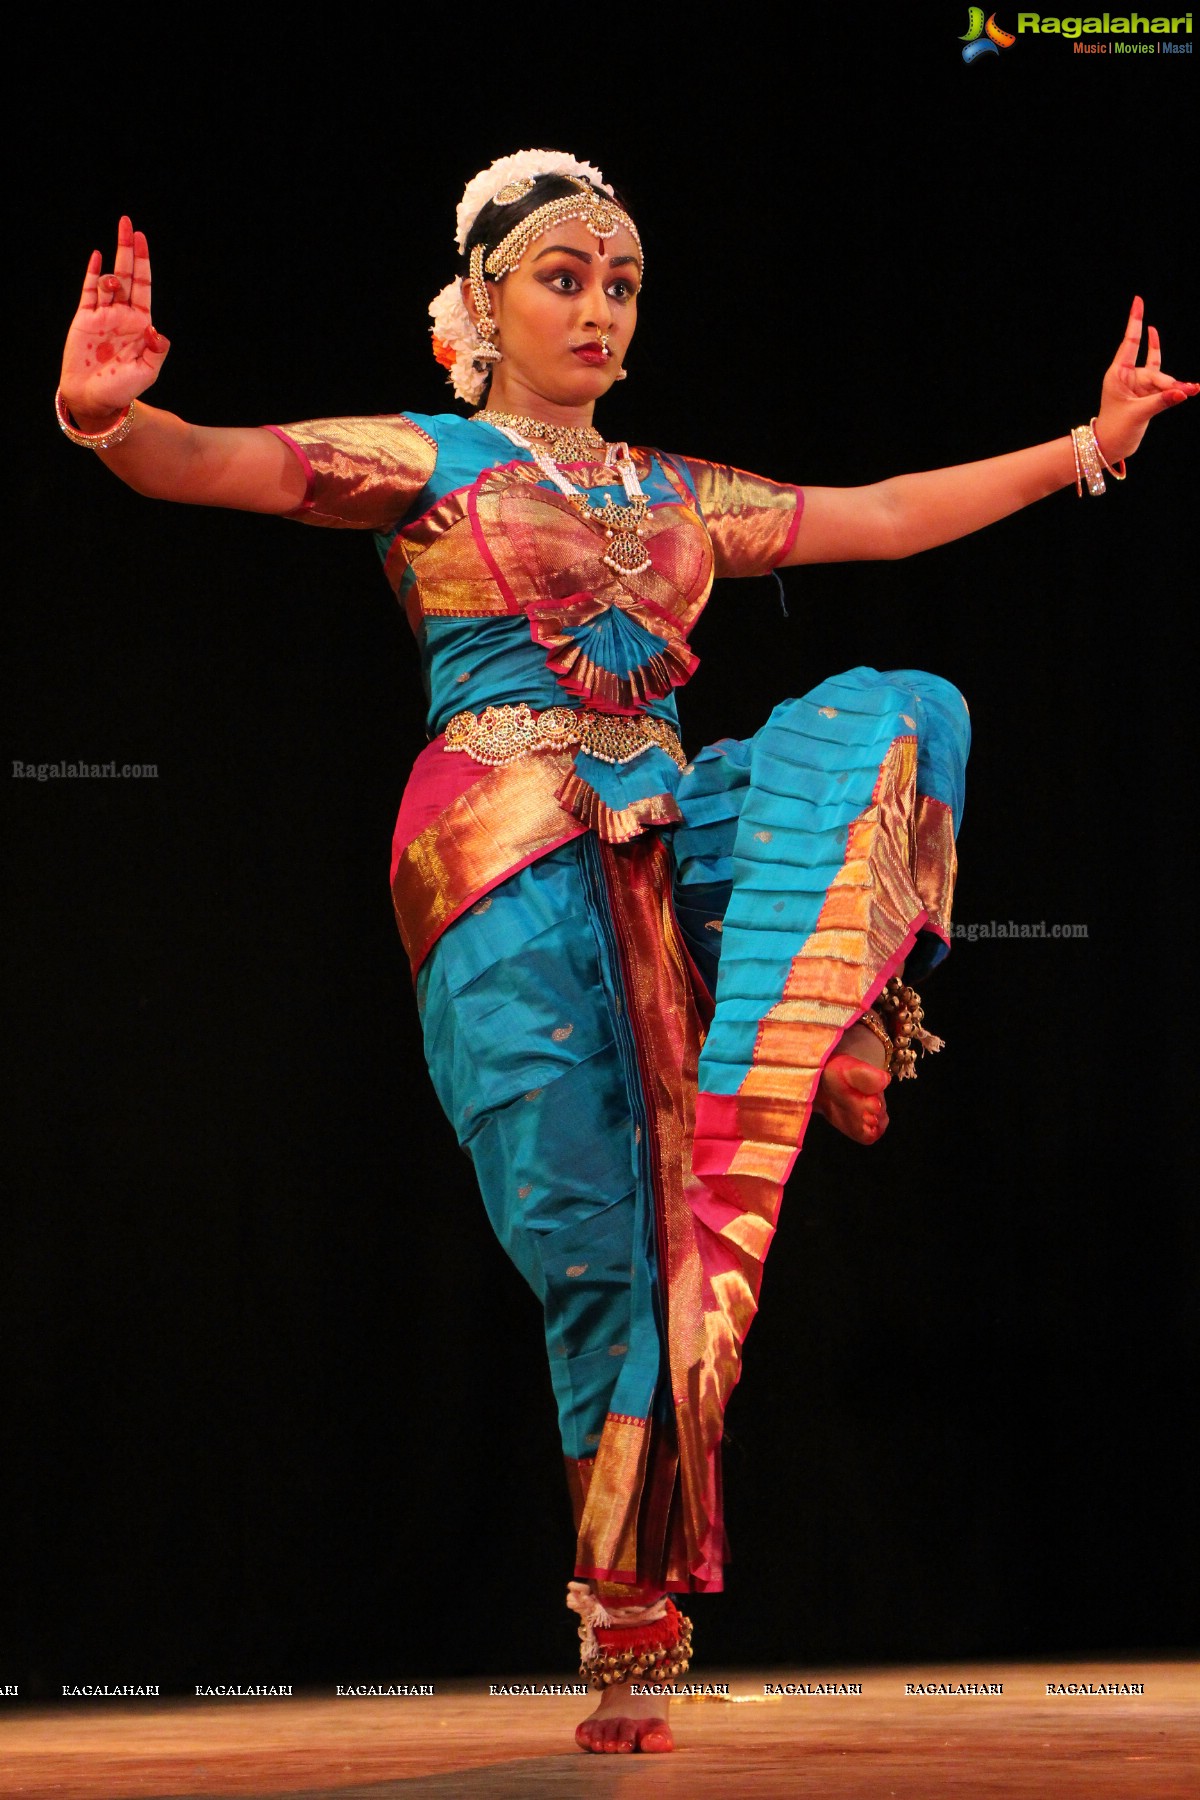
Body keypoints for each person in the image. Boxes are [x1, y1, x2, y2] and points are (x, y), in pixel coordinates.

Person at [56, 150, 1193, 1755]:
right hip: (495, 857)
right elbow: (215, 467)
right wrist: (110, 419)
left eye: (621, 285)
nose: (598, 308)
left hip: (662, 836)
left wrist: (1089, 446)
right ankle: (631, 1622)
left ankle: (837, 1001)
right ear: (483, 304)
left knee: (904, 710)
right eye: (563, 279)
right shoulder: (424, 459)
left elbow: (873, 517)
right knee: (599, 1243)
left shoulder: (675, 492)